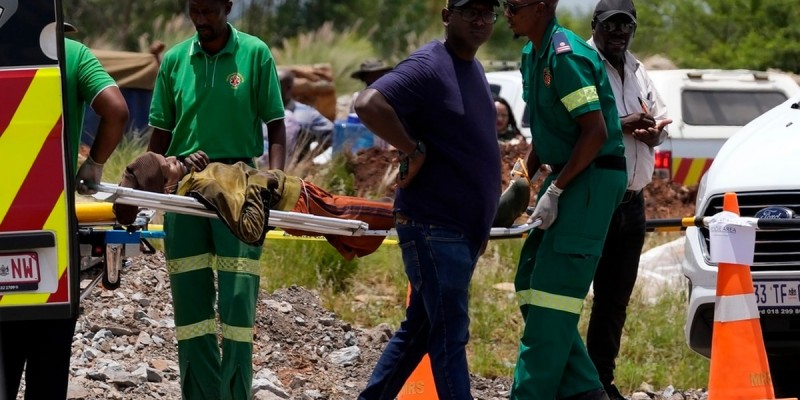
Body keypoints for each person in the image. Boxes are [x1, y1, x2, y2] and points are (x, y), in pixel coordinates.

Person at [353, 0, 501, 398]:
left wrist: (481, 222)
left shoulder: (474, 69)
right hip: (435, 227)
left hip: (459, 231)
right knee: (450, 335)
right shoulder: (430, 64)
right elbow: (368, 103)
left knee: (419, 330)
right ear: (447, 15)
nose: (480, 19)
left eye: (489, 11)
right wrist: (412, 148)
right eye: (470, 10)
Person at [146, 0, 286, 398]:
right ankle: (200, 393)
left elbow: (276, 125)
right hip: (185, 191)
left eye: (210, 10)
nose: (202, 19)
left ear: (228, 6)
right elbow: (159, 136)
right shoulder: (174, 60)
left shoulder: (255, 53)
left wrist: (274, 179)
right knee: (191, 307)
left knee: (238, 303)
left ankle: (235, 393)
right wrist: (153, 188)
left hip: (241, 187)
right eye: (195, 10)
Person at [503, 1, 628, 399]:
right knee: (529, 280)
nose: (506, 13)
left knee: (554, 296)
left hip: (590, 178)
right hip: (566, 173)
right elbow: (548, 128)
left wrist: (555, 191)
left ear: (540, 8)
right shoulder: (531, 54)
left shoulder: (566, 55)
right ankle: (585, 391)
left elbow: (594, 132)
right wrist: (525, 173)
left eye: (513, 6)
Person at [0, 24, 128, 400]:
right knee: (49, 369)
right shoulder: (71, 54)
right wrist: (94, 166)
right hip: (51, 228)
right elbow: (117, 110)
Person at [584, 1, 672, 398]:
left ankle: (601, 383)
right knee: (567, 297)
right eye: (612, 25)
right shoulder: (582, 64)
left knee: (614, 301)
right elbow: (579, 130)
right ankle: (568, 381)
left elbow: (661, 117)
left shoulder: (638, 70)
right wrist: (623, 126)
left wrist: (656, 133)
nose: (619, 33)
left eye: (627, 26)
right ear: (595, 25)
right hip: (594, 200)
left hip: (633, 203)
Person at [114, 150, 394, 259]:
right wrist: (259, 188)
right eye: (170, 165)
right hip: (295, 200)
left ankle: (399, 213)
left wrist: (195, 163)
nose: (175, 158)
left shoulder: (193, 180)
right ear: (165, 185)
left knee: (361, 221)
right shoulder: (203, 188)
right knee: (373, 215)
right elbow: (250, 230)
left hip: (297, 193)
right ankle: (409, 214)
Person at [278, 68, 334, 158]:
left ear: (288, 87)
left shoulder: (306, 114)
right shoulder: (257, 112)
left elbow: (332, 135)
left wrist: (307, 159)